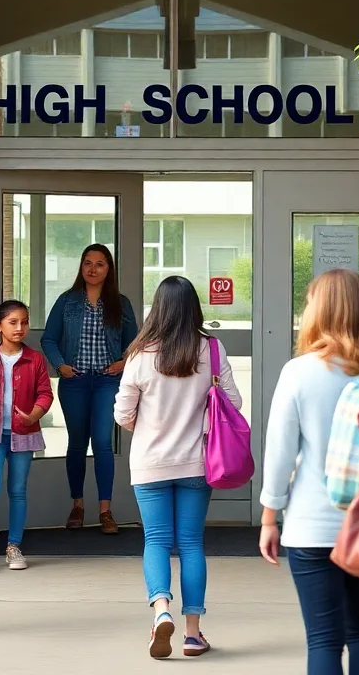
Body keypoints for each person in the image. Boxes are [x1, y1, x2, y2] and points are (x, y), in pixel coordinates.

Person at [259, 269, 359, 675]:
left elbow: (280, 452)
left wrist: (269, 516)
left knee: (324, 639)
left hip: (312, 525)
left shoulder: (299, 372)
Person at [115, 276, 242, 659]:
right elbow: (232, 403)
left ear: (159, 309)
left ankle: (160, 611)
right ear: (194, 308)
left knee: (155, 540)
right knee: (190, 543)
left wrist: (150, 427)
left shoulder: (140, 355)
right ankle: (191, 634)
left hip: (150, 463)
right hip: (196, 464)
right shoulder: (212, 350)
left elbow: (123, 414)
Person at [41, 243, 138, 534]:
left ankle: (106, 511)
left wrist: (123, 363)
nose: (93, 269)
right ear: (81, 267)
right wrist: (60, 367)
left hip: (108, 382)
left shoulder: (120, 303)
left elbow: (134, 344)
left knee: (103, 444)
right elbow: (48, 339)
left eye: (100, 264)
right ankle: (78, 505)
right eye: (88, 263)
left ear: (109, 270)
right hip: (75, 383)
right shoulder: (67, 301)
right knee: (77, 443)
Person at [0, 300, 54, 576]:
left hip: (23, 434)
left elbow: (45, 393)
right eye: (13, 322)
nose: (20, 328)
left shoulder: (35, 358)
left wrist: (33, 415)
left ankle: (14, 546)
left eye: (24, 322)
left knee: (18, 490)